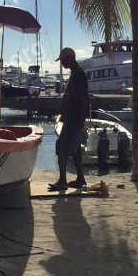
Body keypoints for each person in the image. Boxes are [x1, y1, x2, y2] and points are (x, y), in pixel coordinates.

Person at [49, 47, 89, 191]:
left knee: (61, 147)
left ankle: (62, 181)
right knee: (76, 149)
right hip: (72, 118)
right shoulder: (75, 73)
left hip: (74, 118)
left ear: (69, 58)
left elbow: (84, 98)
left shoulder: (78, 74)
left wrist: (80, 119)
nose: (62, 64)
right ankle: (80, 178)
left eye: (63, 60)